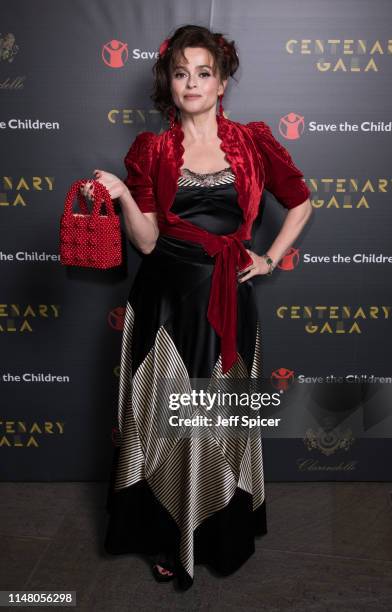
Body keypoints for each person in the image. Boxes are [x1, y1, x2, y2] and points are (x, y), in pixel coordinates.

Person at [81, 24, 312, 590]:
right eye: (181, 73)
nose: (192, 83)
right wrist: (125, 195)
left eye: (203, 73)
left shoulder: (255, 141)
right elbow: (144, 242)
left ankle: (217, 535)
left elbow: (301, 200)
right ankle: (165, 540)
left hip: (229, 297)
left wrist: (267, 257)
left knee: (221, 417)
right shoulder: (152, 148)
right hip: (165, 300)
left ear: (222, 80)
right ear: (169, 81)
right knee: (167, 423)